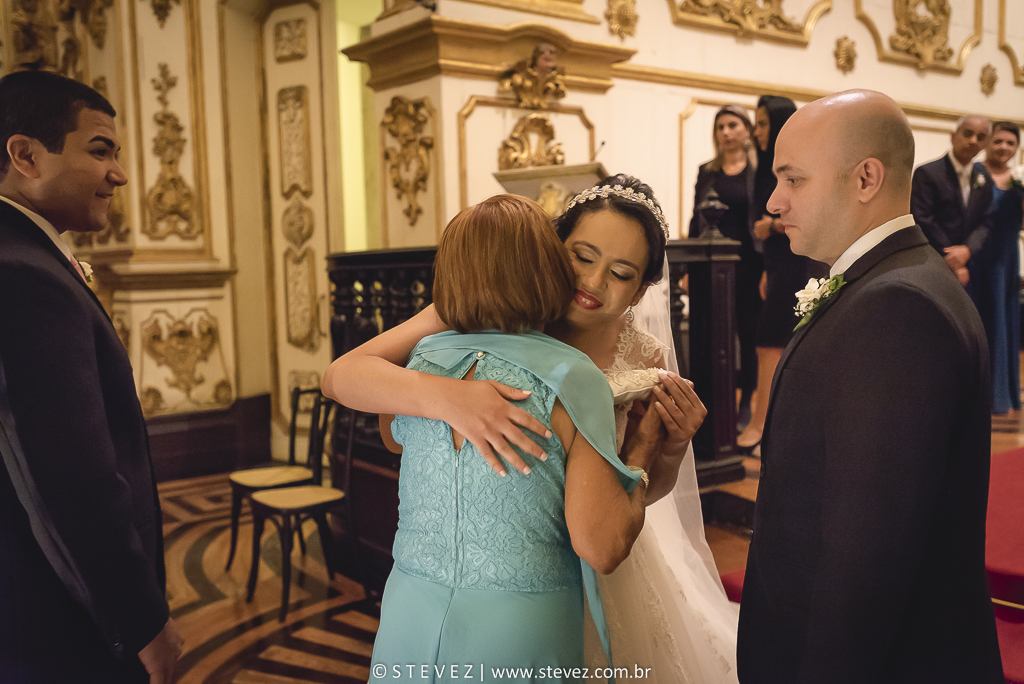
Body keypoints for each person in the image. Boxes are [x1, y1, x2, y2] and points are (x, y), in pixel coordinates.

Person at [324, 175, 740, 682]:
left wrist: (667, 450)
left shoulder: (645, 358)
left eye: (621, 272)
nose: (592, 282)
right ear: (549, 250)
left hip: (596, 539)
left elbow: (635, 494)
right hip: (527, 583)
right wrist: (451, 398)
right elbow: (344, 376)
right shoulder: (483, 324)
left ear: (642, 288)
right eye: (581, 257)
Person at [738, 89, 1003, 682]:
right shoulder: (893, 281)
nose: (775, 201)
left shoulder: (897, 307)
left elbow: (864, 556)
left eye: (794, 179)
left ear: (865, 178)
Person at [368, 194, 656, 679]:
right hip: (518, 630)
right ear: (547, 267)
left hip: (406, 615)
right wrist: (645, 449)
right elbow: (602, 546)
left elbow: (393, 437)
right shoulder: (573, 376)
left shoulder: (419, 365)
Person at [0, 71, 182, 683]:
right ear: (25, 155)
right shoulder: (23, 276)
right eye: (99, 150)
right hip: (59, 622)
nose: (120, 174)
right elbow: (70, 480)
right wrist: (140, 622)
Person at [737, 95, 826, 452]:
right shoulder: (767, 162)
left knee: (769, 344)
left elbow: (811, 209)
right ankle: (770, 426)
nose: (755, 132)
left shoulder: (799, 161)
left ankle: (761, 427)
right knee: (772, 343)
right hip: (777, 264)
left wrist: (771, 225)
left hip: (798, 261)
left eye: (761, 124)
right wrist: (765, 269)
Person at [689, 105, 762, 430]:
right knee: (711, 335)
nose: (726, 132)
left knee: (747, 336)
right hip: (711, 266)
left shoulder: (757, 171)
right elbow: (696, 219)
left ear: (747, 129)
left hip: (747, 266)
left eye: (733, 125)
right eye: (720, 127)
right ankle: (709, 405)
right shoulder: (708, 171)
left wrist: (766, 271)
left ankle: (745, 402)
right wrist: (690, 267)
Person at [911, 114, 994, 290]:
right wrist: (951, 256)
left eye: (980, 137)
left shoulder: (984, 177)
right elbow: (923, 218)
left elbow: (986, 221)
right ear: (953, 135)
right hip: (934, 259)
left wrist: (967, 250)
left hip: (972, 263)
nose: (973, 141)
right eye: (968, 133)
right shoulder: (927, 173)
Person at [976, 121, 1024, 414]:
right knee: (980, 316)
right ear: (988, 142)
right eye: (999, 141)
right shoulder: (976, 173)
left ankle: (1001, 394)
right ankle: (977, 391)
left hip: (1007, 257)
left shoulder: (1019, 179)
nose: (1004, 147)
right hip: (977, 255)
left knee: (1003, 318)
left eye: (1010, 143)